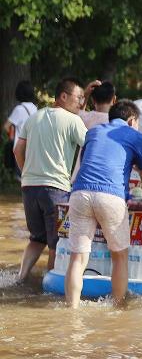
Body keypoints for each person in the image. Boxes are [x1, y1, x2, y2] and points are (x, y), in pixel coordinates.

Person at [65, 100, 142, 308]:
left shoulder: (93, 132)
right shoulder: (136, 136)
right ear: (132, 120)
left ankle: (71, 309)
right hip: (111, 196)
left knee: (77, 258)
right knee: (119, 256)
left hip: (79, 193)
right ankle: (118, 307)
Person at [13, 77, 89, 281]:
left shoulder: (34, 117)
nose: (81, 103)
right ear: (63, 96)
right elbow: (92, 145)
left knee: (36, 239)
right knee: (57, 243)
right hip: (56, 189)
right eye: (78, 97)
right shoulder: (73, 121)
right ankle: (48, 286)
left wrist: (26, 173)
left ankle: (20, 279)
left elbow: (17, 149)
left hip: (29, 187)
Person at [3, 80, 37, 176]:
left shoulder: (19, 109)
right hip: (33, 148)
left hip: (20, 150)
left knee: (22, 178)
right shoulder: (35, 108)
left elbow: (6, 127)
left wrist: (12, 134)